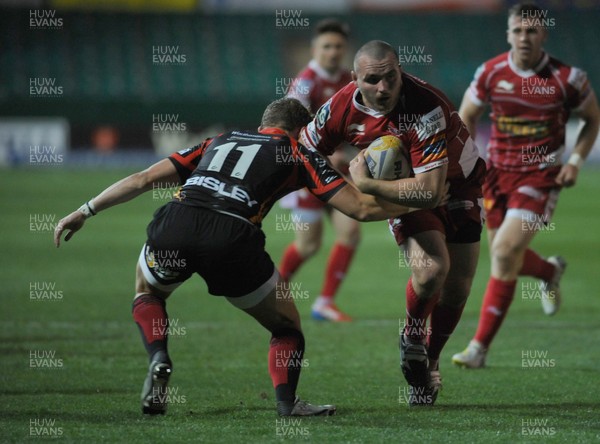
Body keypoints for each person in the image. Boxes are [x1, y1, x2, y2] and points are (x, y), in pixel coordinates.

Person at [53, 98, 408, 416]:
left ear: (262, 125)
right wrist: (422, 196)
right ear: (300, 131)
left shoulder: (218, 140)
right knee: (286, 328)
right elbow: (360, 209)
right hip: (232, 239)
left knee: (147, 293)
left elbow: (144, 178)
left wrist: (86, 209)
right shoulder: (298, 152)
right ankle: (287, 403)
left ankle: (159, 356)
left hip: (177, 222)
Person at [303, 40, 486, 405]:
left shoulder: (425, 106)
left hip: (459, 180)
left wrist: (367, 185)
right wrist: (342, 192)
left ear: (400, 71)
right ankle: (414, 336)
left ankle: (427, 361)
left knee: (459, 287)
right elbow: (305, 152)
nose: (383, 88)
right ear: (355, 79)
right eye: (373, 80)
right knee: (432, 270)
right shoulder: (339, 107)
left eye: (391, 77)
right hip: (404, 191)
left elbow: (432, 192)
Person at [451, 3, 599, 369]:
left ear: (543, 34)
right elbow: (467, 114)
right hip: (496, 177)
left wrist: (576, 162)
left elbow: (592, 121)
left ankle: (478, 349)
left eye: (531, 31)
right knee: (507, 258)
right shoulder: (491, 72)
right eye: (517, 30)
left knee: (502, 253)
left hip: (540, 177)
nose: (523, 37)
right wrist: (470, 163)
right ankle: (550, 272)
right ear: (508, 33)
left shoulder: (568, 78)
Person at [280, 19, 358, 322]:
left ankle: (325, 302)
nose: (333, 51)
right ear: (315, 49)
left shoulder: (349, 80)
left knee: (350, 232)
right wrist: (327, 153)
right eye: (327, 46)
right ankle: (274, 289)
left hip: (339, 173)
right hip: (307, 173)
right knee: (308, 245)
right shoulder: (304, 83)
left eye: (338, 46)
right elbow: (289, 128)